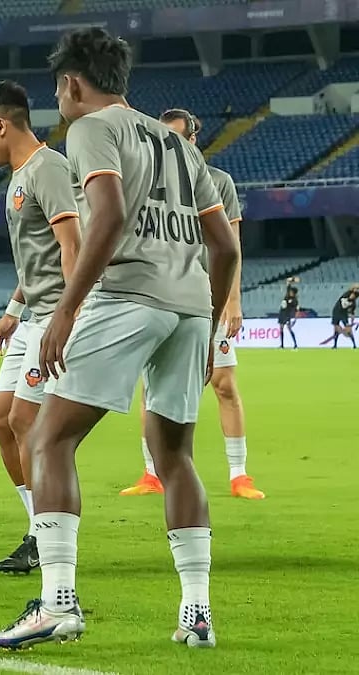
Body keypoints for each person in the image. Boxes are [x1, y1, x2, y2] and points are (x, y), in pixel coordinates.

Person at [0, 28, 239, 650]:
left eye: (58, 89)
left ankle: (57, 602)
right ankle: (196, 613)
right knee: (174, 456)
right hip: (187, 308)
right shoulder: (181, 148)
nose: (59, 101)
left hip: (128, 296)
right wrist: (206, 321)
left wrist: (68, 310)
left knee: (47, 438)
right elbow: (226, 247)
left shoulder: (91, 129)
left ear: (73, 83)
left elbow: (112, 215)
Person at [0, 80, 81, 575]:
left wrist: (68, 315)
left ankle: (49, 537)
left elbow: (72, 245)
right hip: (33, 315)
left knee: (24, 422)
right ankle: (37, 527)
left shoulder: (49, 168)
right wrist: (14, 310)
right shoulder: (18, 177)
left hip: (56, 316)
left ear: (1, 125)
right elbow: (38, 257)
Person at [120, 108, 263, 500]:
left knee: (223, 383)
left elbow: (230, 246)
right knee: (151, 387)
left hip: (208, 297)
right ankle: (151, 473)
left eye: (177, 139)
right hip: (162, 294)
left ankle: (239, 474)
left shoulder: (218, 182)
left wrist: (233, 301)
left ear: (194, 139)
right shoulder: (149, 184)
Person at [278, 279, 299, 349]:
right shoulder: (287, 295)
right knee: (281, 328)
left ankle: (295, 344)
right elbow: (288, 281)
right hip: (282, 313)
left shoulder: (295, 300)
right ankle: (282, 345)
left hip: (287, 315)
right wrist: (293, 279)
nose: (290, 292)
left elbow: (297, 310)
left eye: (291, 292)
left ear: (294, 293)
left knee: (289, 329)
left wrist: (295, 320)